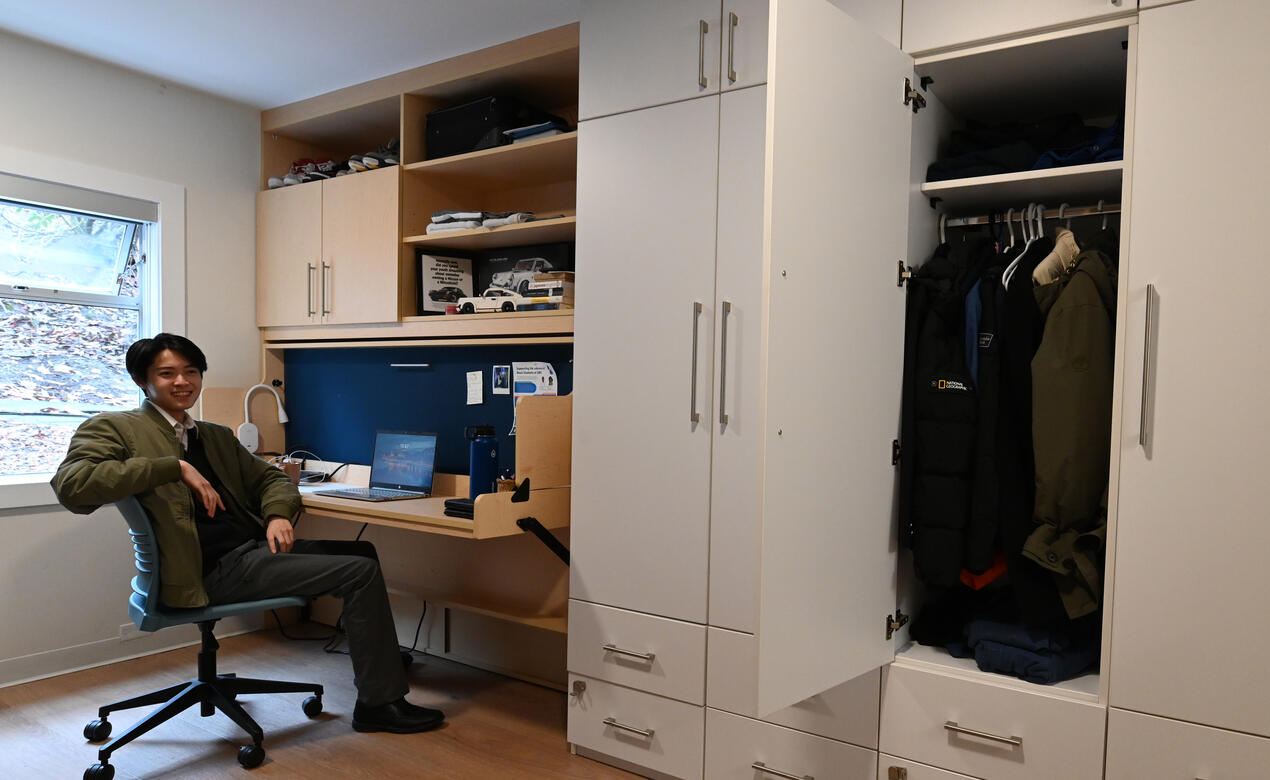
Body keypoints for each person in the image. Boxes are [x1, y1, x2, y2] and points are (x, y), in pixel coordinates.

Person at [50, 333, 444, 734]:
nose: (182, 382)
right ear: (142, 381)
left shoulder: (213, 436)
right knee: (357, 574)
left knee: (362, 554)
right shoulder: (114, 428)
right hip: (208, 572)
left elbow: (271, 480)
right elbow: (72, 486)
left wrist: (277, 515)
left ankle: (379, 664)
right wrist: (173, 467)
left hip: (248, 552)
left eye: (191, 372)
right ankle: (379, 704)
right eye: (167, 374)